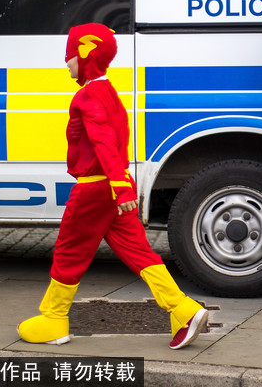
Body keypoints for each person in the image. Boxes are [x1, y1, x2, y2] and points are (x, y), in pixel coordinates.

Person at [18, 23, 208, 348]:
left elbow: (103, 142)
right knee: (139, 252)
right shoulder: (109, 93)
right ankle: (183, 308)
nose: (66, 62)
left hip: (96, 188)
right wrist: (121, 187)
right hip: (113, 186)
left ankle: (54, 318)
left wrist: (118, 186)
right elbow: (115, 142)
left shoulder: (87, 96)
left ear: (85, 54)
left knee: (69, 251)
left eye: (69, 55)